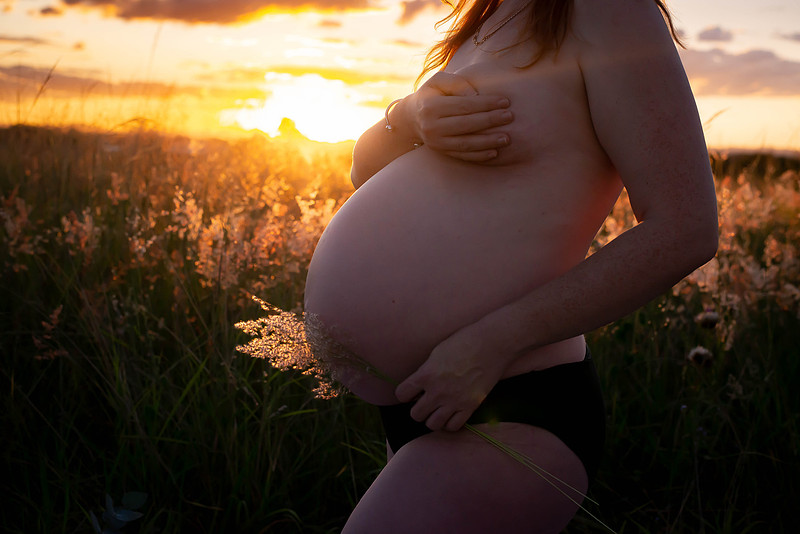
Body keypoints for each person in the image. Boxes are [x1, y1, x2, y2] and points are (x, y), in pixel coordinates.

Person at [302, 0, 719, 532]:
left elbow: (686, 228)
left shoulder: (609, 11)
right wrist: (410, 116)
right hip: (432, 393)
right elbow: (363, 171)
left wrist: (492, 343)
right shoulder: (489, 14)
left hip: (511, 397)